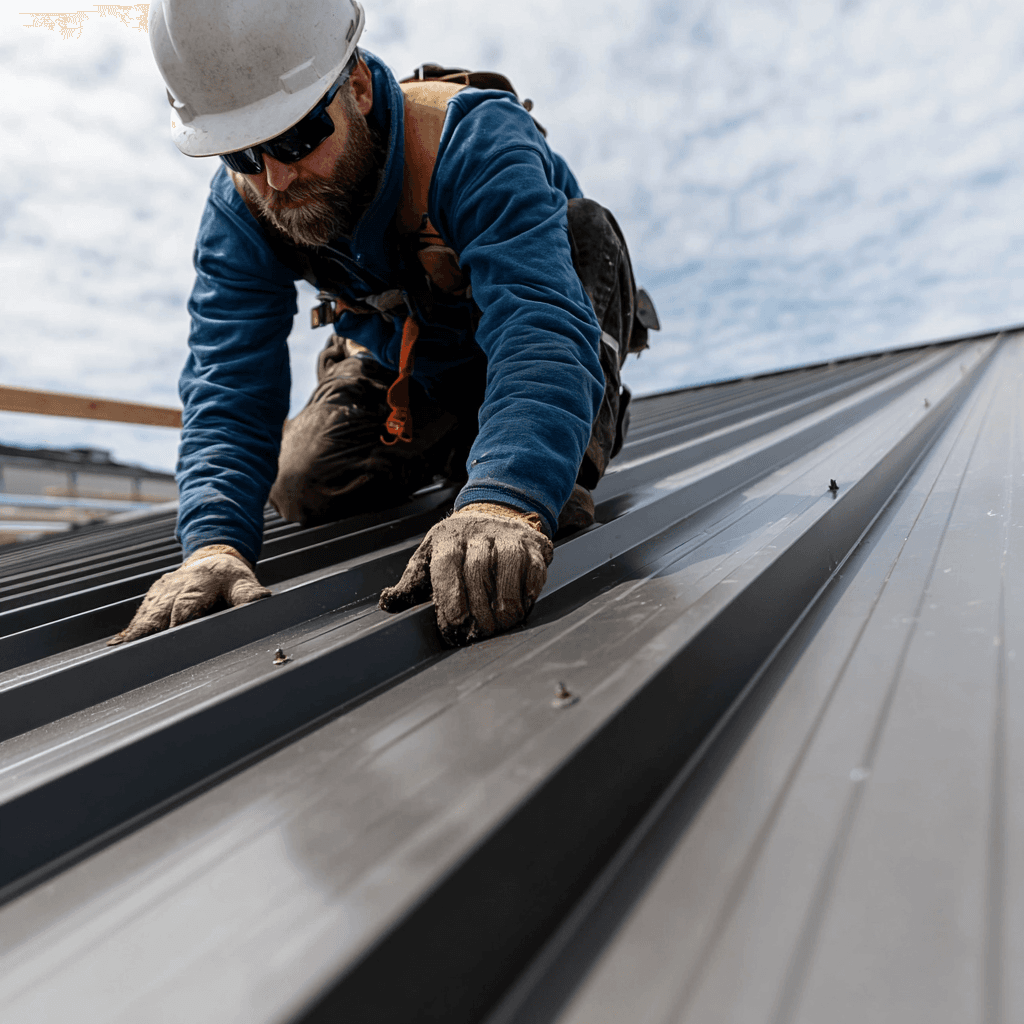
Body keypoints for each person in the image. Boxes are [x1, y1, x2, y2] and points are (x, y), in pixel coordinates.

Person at [111, 0, 656, 648]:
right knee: (304, 481)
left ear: (359, 88)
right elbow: (227, 377)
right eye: (244, 156)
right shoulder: (245, 206)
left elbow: (536, 317)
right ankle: (465, 452)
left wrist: (504, 497)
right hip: (410, 370)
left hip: (529, 349)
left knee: (534, 505)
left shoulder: (473, 139)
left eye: (296, 138)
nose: (276, 178)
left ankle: (525, 451)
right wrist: (212, 544)